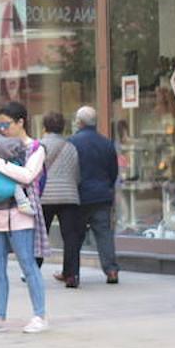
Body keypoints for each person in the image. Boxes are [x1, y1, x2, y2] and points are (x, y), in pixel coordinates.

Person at [0, 100, 48, 333]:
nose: (2, 129)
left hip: (20, 213)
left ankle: (39, 315)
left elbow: (27, 176)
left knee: (28, 263)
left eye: (7, 125)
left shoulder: (36, 148)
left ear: (21, 122)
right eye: (0, 125)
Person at [66, 105, 120, 284]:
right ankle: (111, 271)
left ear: (79, 122)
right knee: (104, 234)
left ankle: (72, 275)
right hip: (102, 195)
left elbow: (69, 170)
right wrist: (108, 187)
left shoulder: (72, 142)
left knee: (75, 235)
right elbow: (113, 171)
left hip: (80, 196)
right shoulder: (106, 143)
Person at [38, 112, 83, 287]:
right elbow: (77, 174)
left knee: (41, 235)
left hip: (45, 196)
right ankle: (72, 275)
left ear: (44, 127)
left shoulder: (39, 146)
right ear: (63, 127)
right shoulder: (70, 147)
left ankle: (33, 269)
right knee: (71, 236)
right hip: (68, 196)